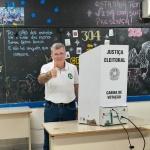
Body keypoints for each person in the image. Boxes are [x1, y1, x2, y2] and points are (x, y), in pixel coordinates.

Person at [38, 43, 79, 150]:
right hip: (51, 108)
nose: (59, 56)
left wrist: (79, 108)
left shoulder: (73, 68)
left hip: (70, 107)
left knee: (69, 138)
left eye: (61, 53)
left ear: (65, 54)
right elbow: (40, 80)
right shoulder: (46, 67)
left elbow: (76, 87)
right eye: (56, 54)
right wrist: (50, 74)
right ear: (51, 55)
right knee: (49, 138)